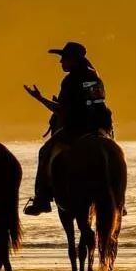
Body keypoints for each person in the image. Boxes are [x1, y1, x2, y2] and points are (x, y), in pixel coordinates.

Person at [23, 41, 114, 215]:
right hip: (100, 127)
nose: (61, 62)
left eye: (63, 58)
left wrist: (39, 98)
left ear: (73, 59)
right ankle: (119, 202)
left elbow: (61, 110)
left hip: (77, 128)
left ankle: (42, 199)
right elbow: (97, 103)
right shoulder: (94, 76)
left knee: (44, 152)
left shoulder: (70, 80)